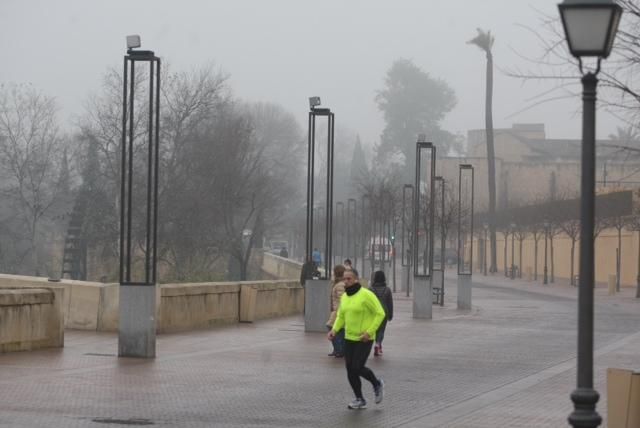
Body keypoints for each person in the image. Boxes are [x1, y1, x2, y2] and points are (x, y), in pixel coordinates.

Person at [328, 270, 385, 409]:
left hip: (364, 338)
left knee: (357, 367)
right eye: (344, 279)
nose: (346, 281)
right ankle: (359, 399)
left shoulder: (366, 295)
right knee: (350, 369)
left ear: (356, 280)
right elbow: (341, 316)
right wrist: (334, 330)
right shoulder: (345, 297)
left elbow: (380, 313)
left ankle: (377, 384)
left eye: (349, 279)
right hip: (349, 337)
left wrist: (370, 331)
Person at [370, 270, 393, 357]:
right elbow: (390, 303)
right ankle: (378, 344)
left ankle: (376, 344)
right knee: (381, 330)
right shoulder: (387, 289)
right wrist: (390, 315)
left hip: (373, 311)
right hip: (384, 311)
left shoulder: (371, 289)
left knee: (374, 328)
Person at [326, 265, 346, 358]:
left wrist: (338, 311)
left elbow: (342, 299)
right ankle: (338, 350)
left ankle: (339, 350)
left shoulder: (340, 285)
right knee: (340, 331)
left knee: (330, 327)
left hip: (338, 311)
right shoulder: (340, 284)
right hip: (337, 310)